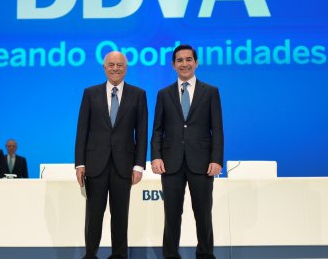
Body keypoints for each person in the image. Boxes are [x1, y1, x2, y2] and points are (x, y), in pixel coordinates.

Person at [151, 44, 224, 259]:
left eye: (189, 59)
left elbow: (217, 128)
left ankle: (205, 255)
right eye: (180, 60)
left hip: (202, 163)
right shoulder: (163, 94)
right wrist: (155, 156)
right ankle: (171, 255)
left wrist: (216, 159)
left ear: (196, 62)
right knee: (171, 215)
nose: (185, 63)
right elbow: (157, 129)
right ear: (173, 65)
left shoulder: (210, 92)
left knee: (203, 214)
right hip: (171, 163)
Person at [74, 51, 148, 259]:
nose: (115, 68)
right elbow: (82, 130)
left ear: (126, 68)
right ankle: (90, 255)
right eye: (111, 65)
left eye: (120, 65)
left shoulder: (138, 94)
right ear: (104, 67)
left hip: (124, 166)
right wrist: (79, 163)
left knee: (120, 216)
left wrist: (139, 165)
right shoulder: (90, 93)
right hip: (95, 164)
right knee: (94, 215)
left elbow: (141, 133)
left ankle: (119, 255)